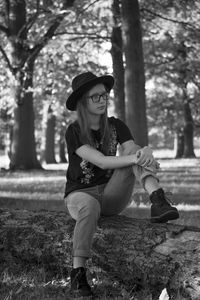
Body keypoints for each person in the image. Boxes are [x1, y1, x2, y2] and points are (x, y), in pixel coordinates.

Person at [64, 72, 179, 297]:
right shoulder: (74, 131)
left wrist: (143, 152)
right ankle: (78, 273)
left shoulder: (116, 125)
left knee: (133, 152)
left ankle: (158, 200)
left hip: (110, 195)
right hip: (80, 195)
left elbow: (131, 150)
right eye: (94, 97)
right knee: (90, 205)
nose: (102, 100)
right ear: (82, 102)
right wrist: (139, 155)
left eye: (104, 95)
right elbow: (101, 160)